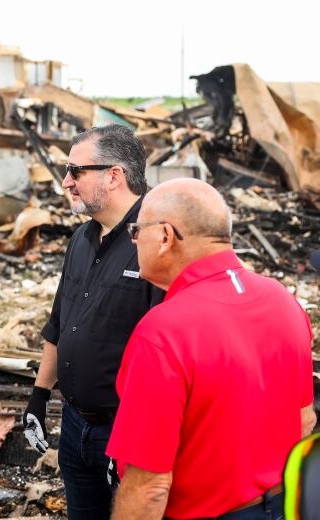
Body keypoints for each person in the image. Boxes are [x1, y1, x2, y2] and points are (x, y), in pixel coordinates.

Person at [107, 178, 317, 520]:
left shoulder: (163, 332)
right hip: (281, 505)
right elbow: (304, 419)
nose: (133, 241)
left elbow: (149, 486)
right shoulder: (282, 301)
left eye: (136, 230)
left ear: (164, 237)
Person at [21, 124, 163, 519]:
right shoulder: (82, 239)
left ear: (113, 175)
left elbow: (169, 353)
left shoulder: (155, 241)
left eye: (76, 171)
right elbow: (59, 322)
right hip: (75, 425)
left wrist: (140, 440)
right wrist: (39, 394)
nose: (66, 182)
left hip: (124, 434)